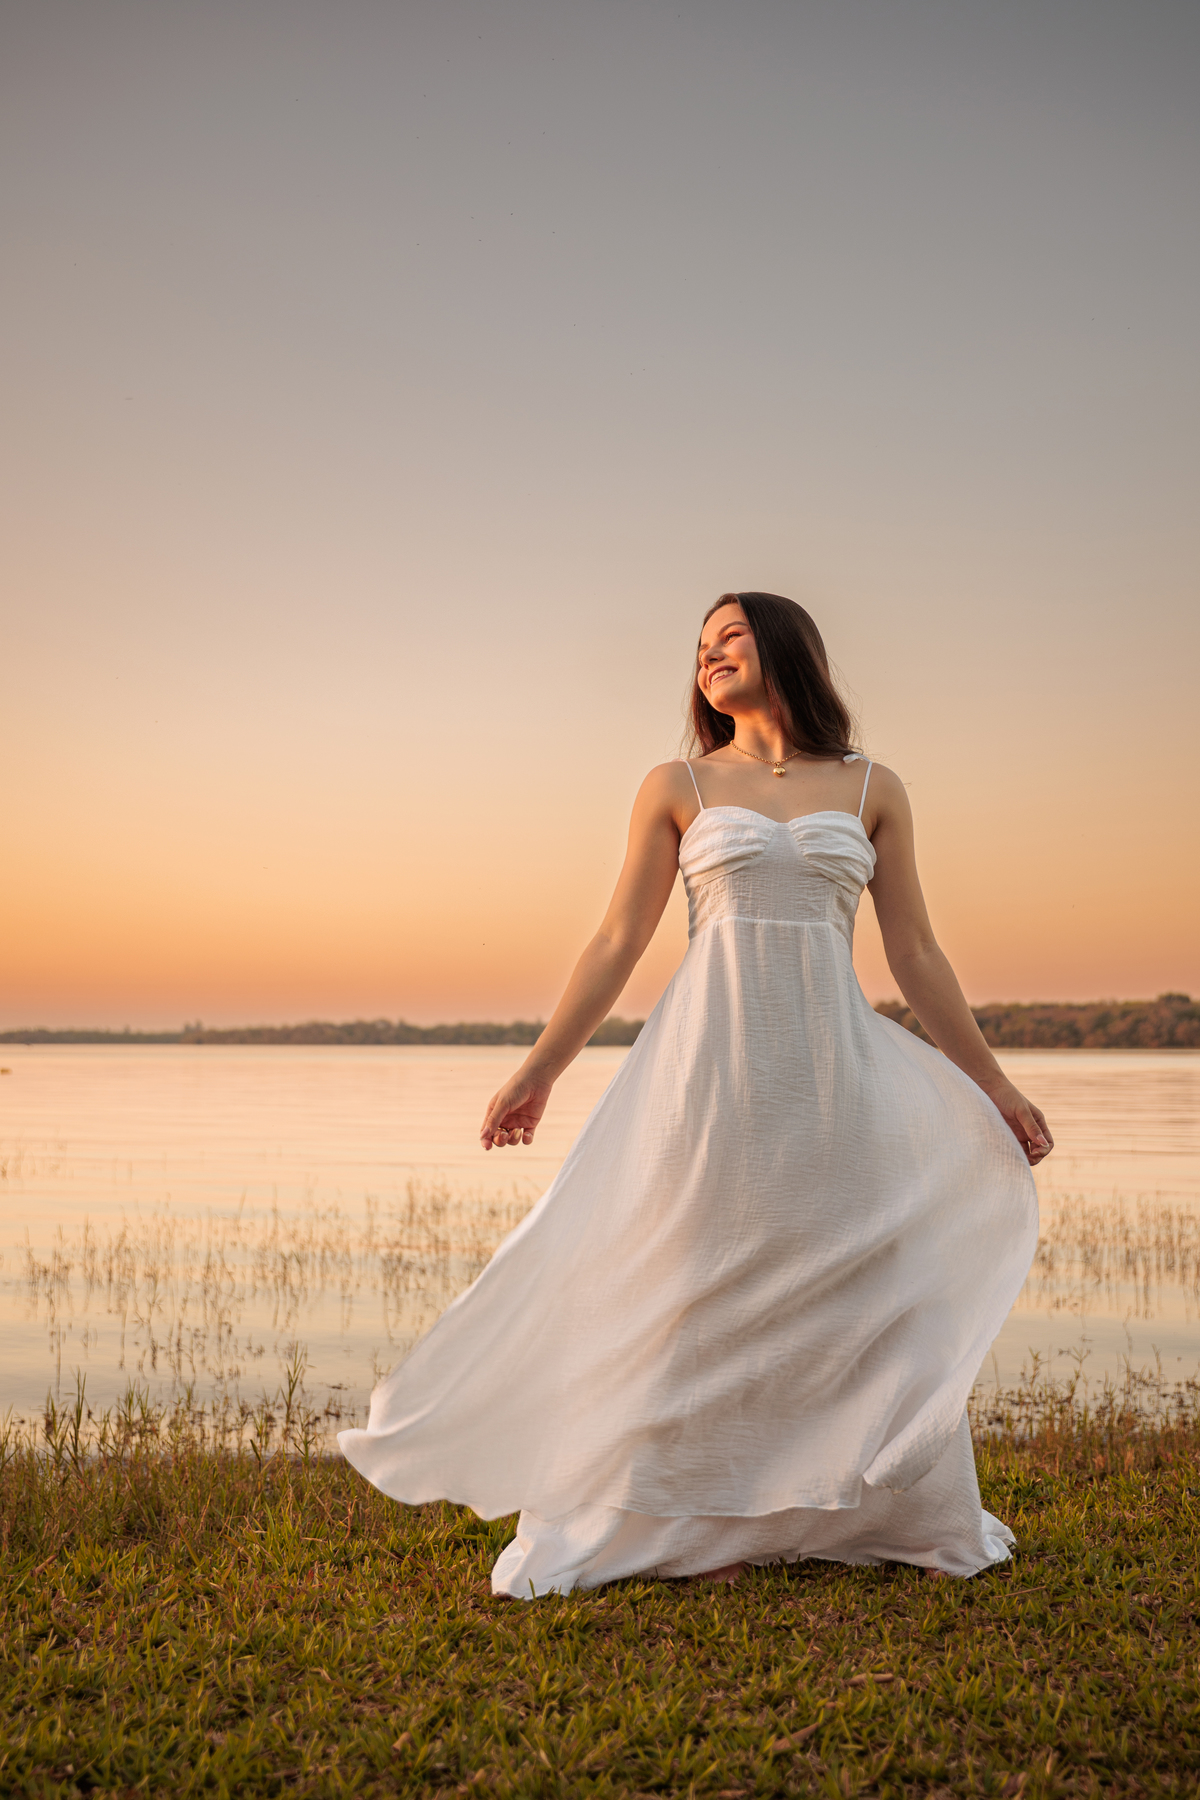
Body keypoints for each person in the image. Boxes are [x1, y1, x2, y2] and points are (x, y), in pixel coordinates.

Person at [339, 592, 1049, 1595]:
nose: (710, 656)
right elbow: (616, 940)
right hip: (706, 1065)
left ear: (788, 648)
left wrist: (998, 1088)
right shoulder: (677, 784)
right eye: (701, 646)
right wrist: (541, 1068)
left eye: (732, 636)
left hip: (831, 1065)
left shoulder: (871, 787)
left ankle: (872, 1507)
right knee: (686, 1276)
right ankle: (670, 1511)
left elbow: (918, 952)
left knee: (859, 1277)